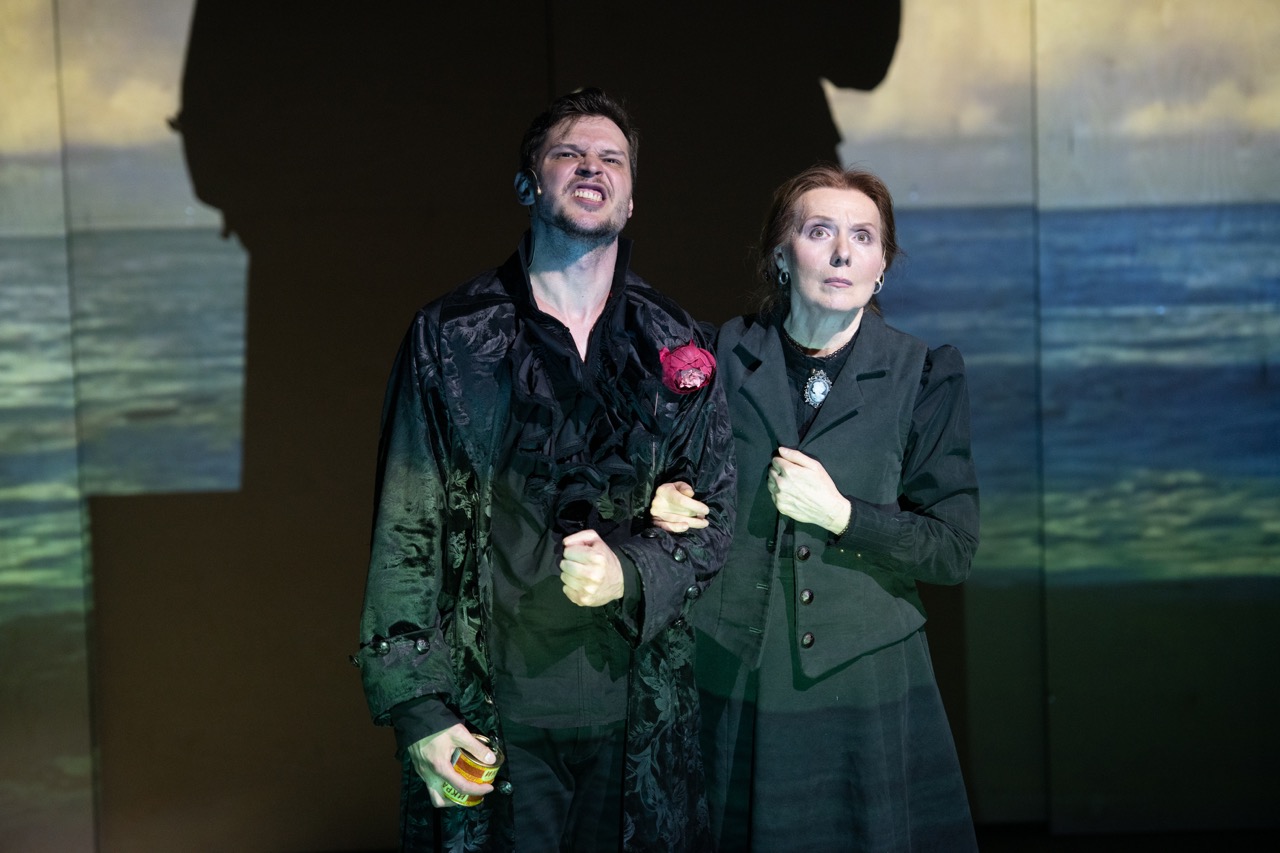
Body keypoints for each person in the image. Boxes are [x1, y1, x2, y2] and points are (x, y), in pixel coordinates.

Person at [354, 88, 735, 852]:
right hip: (495, 716)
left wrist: (632, 568)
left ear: (632, 198)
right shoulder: (451, 337)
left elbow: (714, 518)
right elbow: (406, 526)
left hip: (635, 721)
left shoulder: (676, 341)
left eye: (611, 158)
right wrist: (418, 708)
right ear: (529, 185)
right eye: (570, 153)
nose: (592, 167)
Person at [651, 163, 980, 851]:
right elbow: (657, 467)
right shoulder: (718, 355)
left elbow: (952, 549)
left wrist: (845, 516)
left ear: (882, 266)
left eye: (863, 237)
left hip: (864, 679)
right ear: (781, 254)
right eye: (820, 231)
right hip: (732, 672)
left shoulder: (922, 373)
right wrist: (664, 494)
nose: (841, 254)